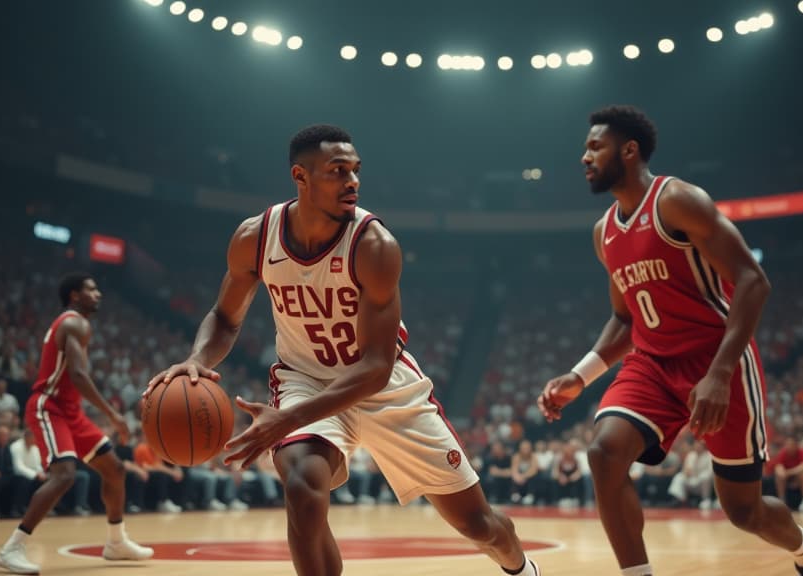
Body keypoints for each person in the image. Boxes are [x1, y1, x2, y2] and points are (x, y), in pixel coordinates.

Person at [146, 125, 539, 576]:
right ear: (301, 176)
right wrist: (196, 360)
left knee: (479, 525)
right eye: (338, 171)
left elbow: (375, 368)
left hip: (386, 388)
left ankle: (523, 569)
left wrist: (289, 419)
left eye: (355, 171)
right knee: (302, 486)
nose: (352, 181)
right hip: (304, 377)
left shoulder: (374, 246)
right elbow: (224, 317)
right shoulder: (255, 237)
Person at [536, 105, 803, 576]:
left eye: (595, 146)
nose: (584, 156)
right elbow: (624, 318)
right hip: (652, 364)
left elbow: (753, 280)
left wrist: (718, 374)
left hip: (717, 360)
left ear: (629, 150)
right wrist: (581, 375)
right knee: (604, 453)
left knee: (743, 511)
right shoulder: (605, 233)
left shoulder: (677, 200)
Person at [0, 274, 152, 574]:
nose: (99, 294)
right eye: (91, 289)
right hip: (49, 406)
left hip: (71, 412)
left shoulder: (77, 325)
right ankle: (11, 547)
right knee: (64, 475)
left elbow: (75, 377)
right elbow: (79, 375)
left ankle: (116, 542)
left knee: (115, 470)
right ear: (74, 295)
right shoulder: (74, 323)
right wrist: (113, 415)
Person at [771, 437, 803, 512]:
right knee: (779, 476)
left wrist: (788, 472)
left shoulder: (802, 452)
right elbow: (778, 467)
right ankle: (782, 501)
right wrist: (782, 472)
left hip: (797, 476)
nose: (789, 446)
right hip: (787, 478)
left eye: (791, 444)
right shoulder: (783, 452)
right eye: (788, 444)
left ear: (796, 445)